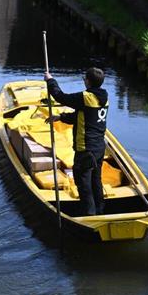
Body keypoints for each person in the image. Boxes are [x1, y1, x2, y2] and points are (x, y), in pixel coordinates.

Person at [43, 68, 109, 216]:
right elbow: (84, 116)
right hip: (99, 148)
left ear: (88, 81)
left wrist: (50, 80)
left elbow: (60, 97)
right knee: (96, 181)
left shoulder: (85, 97)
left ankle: (89, 215)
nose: (84, 80)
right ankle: (100, 210)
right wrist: (61, 117)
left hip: (85, 149)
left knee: (83, 183)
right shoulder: (104, 98)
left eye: (84, 78)